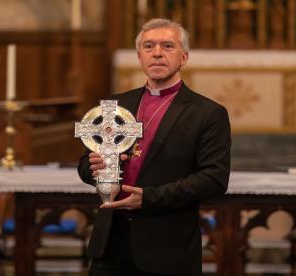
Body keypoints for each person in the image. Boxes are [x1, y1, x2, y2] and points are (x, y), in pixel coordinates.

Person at [78, 18, 231, 276]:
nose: (157, 53)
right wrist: (93, 168)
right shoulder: (115, 105)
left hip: (167, 246)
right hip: (110, 242)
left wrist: (148, 198)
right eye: (149, 46)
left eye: (167, 46)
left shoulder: (207, 113)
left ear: (183, 57)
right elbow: (84, 164)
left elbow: (214, 179)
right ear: (140, 57)